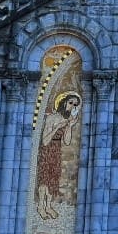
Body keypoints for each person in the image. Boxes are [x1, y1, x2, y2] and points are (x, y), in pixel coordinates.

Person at [35, 91, 82, 221]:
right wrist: (57, 127)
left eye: (75, 105)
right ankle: (41, 206)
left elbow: (67, 141)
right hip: (46, 150)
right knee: (44, 179)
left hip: (56, 150)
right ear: (64, 102)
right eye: (70, 103)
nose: (72, 106)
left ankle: (49, 205)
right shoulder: (52, 118)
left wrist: (70, 126)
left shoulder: (67, 120)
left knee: (53, 178)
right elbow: (44, 140)